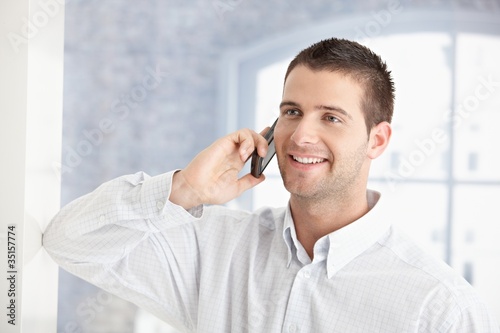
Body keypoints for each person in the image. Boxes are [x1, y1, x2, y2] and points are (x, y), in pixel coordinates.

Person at [43, 38, 499, 332]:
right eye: (292, 111)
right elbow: (70, 241)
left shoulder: (440, 309)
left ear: (376, 140)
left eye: (331, 118)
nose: (301, 136)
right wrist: (184, 190)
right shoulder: (218, 249)